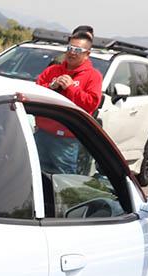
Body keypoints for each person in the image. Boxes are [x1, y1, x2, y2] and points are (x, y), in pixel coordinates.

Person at [34, 30, 104, 174]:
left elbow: (91, 103)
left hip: (66, 140)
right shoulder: (52, 70)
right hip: (42, 133)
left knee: (63, 178)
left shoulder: (93, 76)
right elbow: (35, 92)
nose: (72, 53)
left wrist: (71, 88)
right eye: (70, 48)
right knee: (34, 173)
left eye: (77, 50)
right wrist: (51, 86)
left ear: (87, 54)